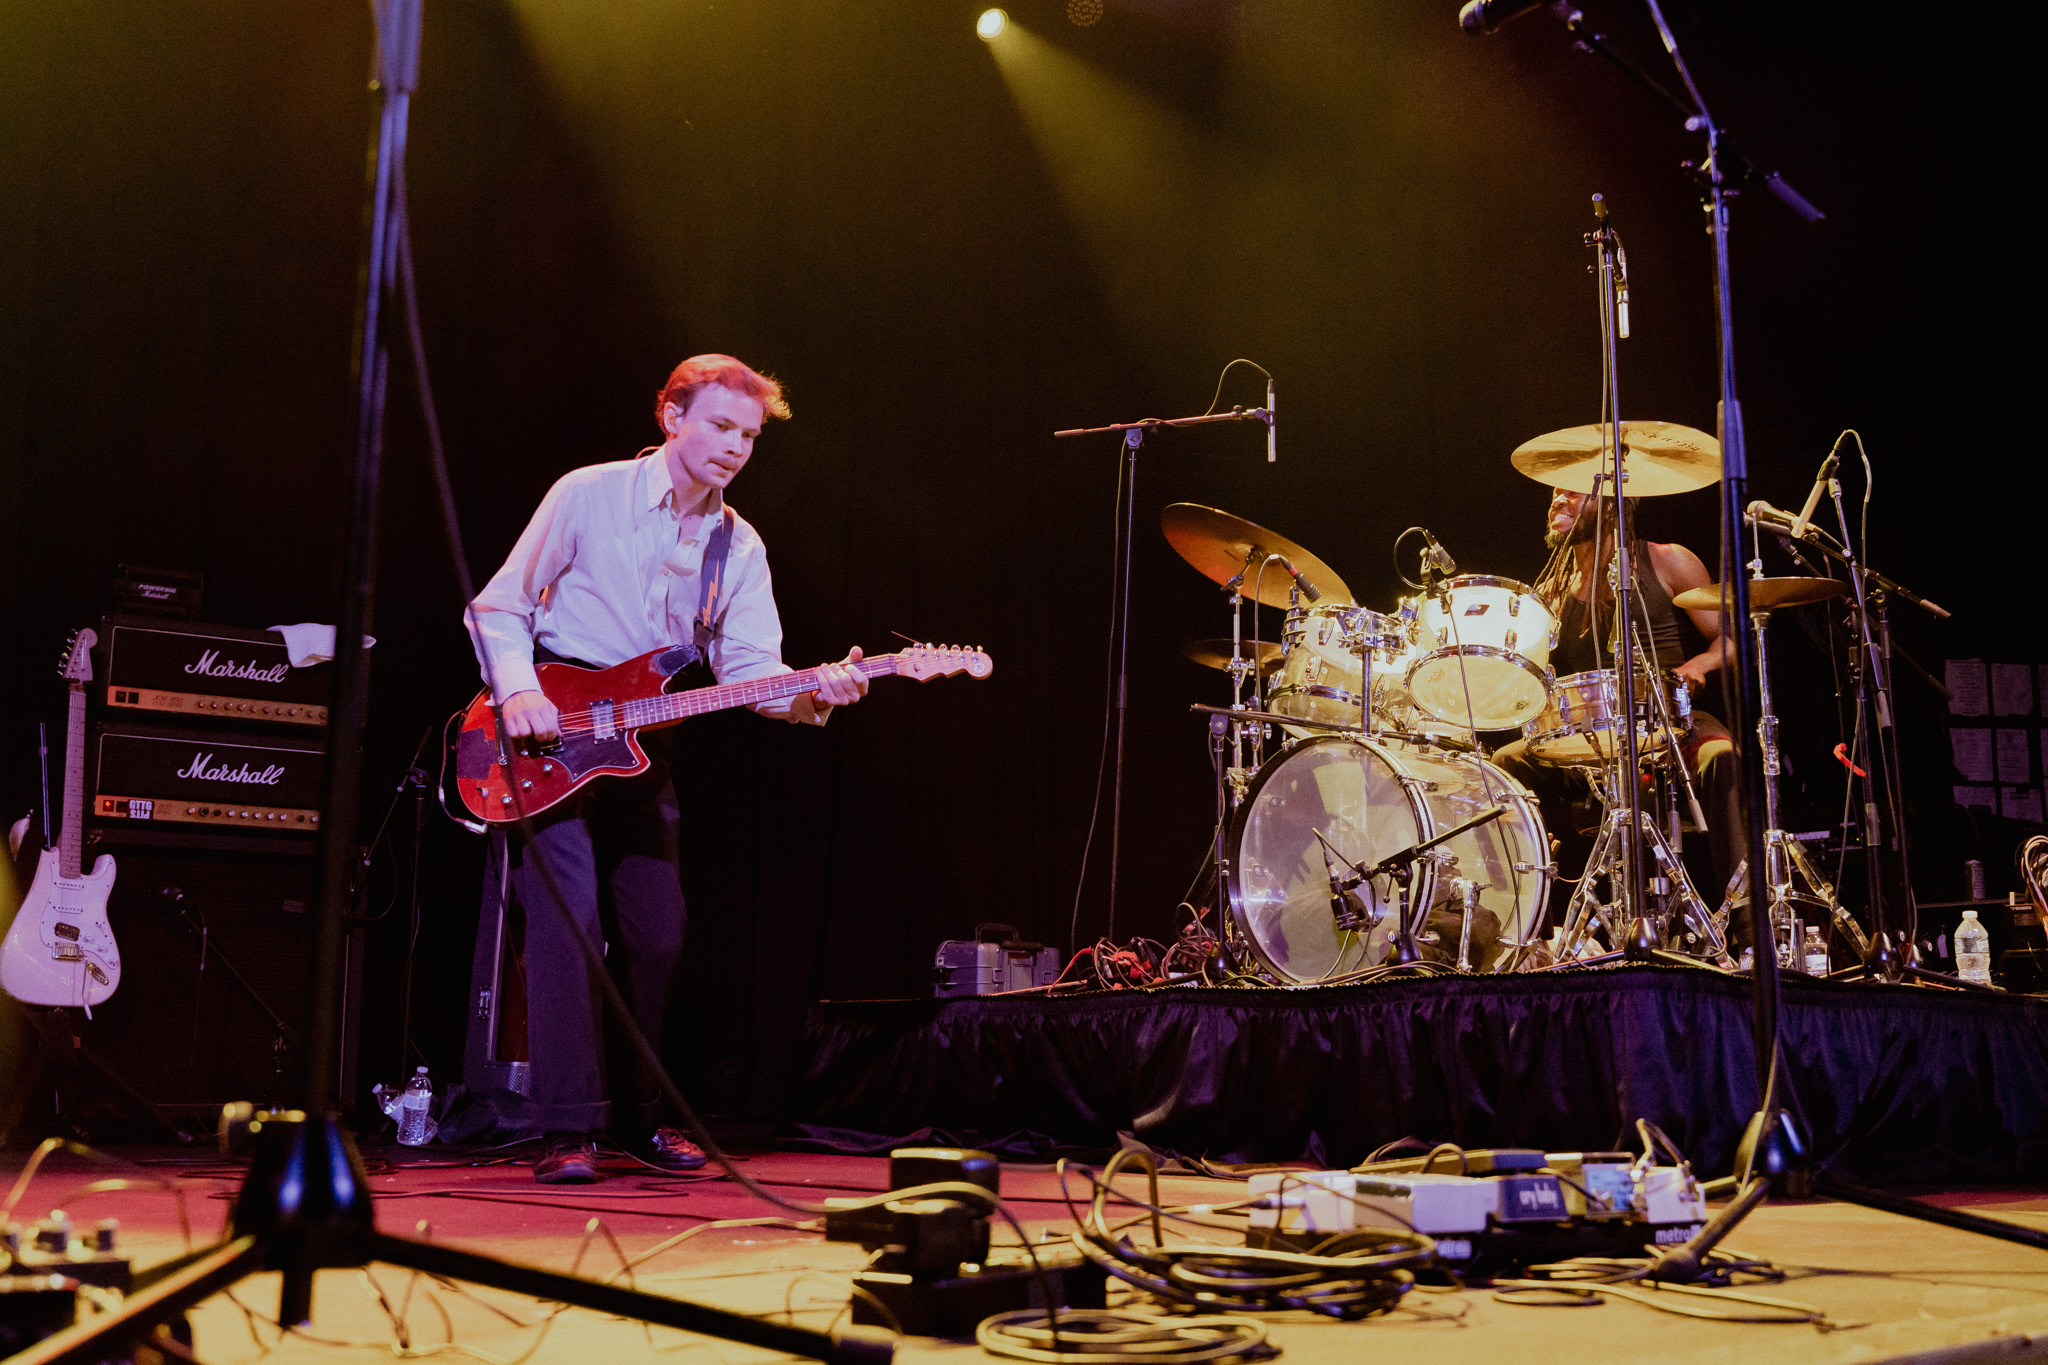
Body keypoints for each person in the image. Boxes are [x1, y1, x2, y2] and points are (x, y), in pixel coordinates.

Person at [466, 354, 868, 1183]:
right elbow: (497, 605)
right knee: (568, 920)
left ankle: (639, 1119)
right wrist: (518, 695)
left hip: (640, 744)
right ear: (670, 416)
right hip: (550, 732)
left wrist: (814, 692)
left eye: (749, 435)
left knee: (658, 931)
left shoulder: (738, 543)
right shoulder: (587, 493)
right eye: (720, 425)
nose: (735, 447)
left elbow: (752, 672)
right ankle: (567, 1127)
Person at [1491, 486, 1743, 939]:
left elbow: (1729, 639)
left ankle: (1747, 930)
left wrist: (1696, 667)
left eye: (1571, 493)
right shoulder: (1549, 591)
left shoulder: (1667, 560)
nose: (1557, 501)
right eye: (1553, 494)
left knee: (1721, 754)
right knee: (1507, 763)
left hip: (1670, 723)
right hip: (1587, 736)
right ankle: (1541, 926)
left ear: (1609, 503)